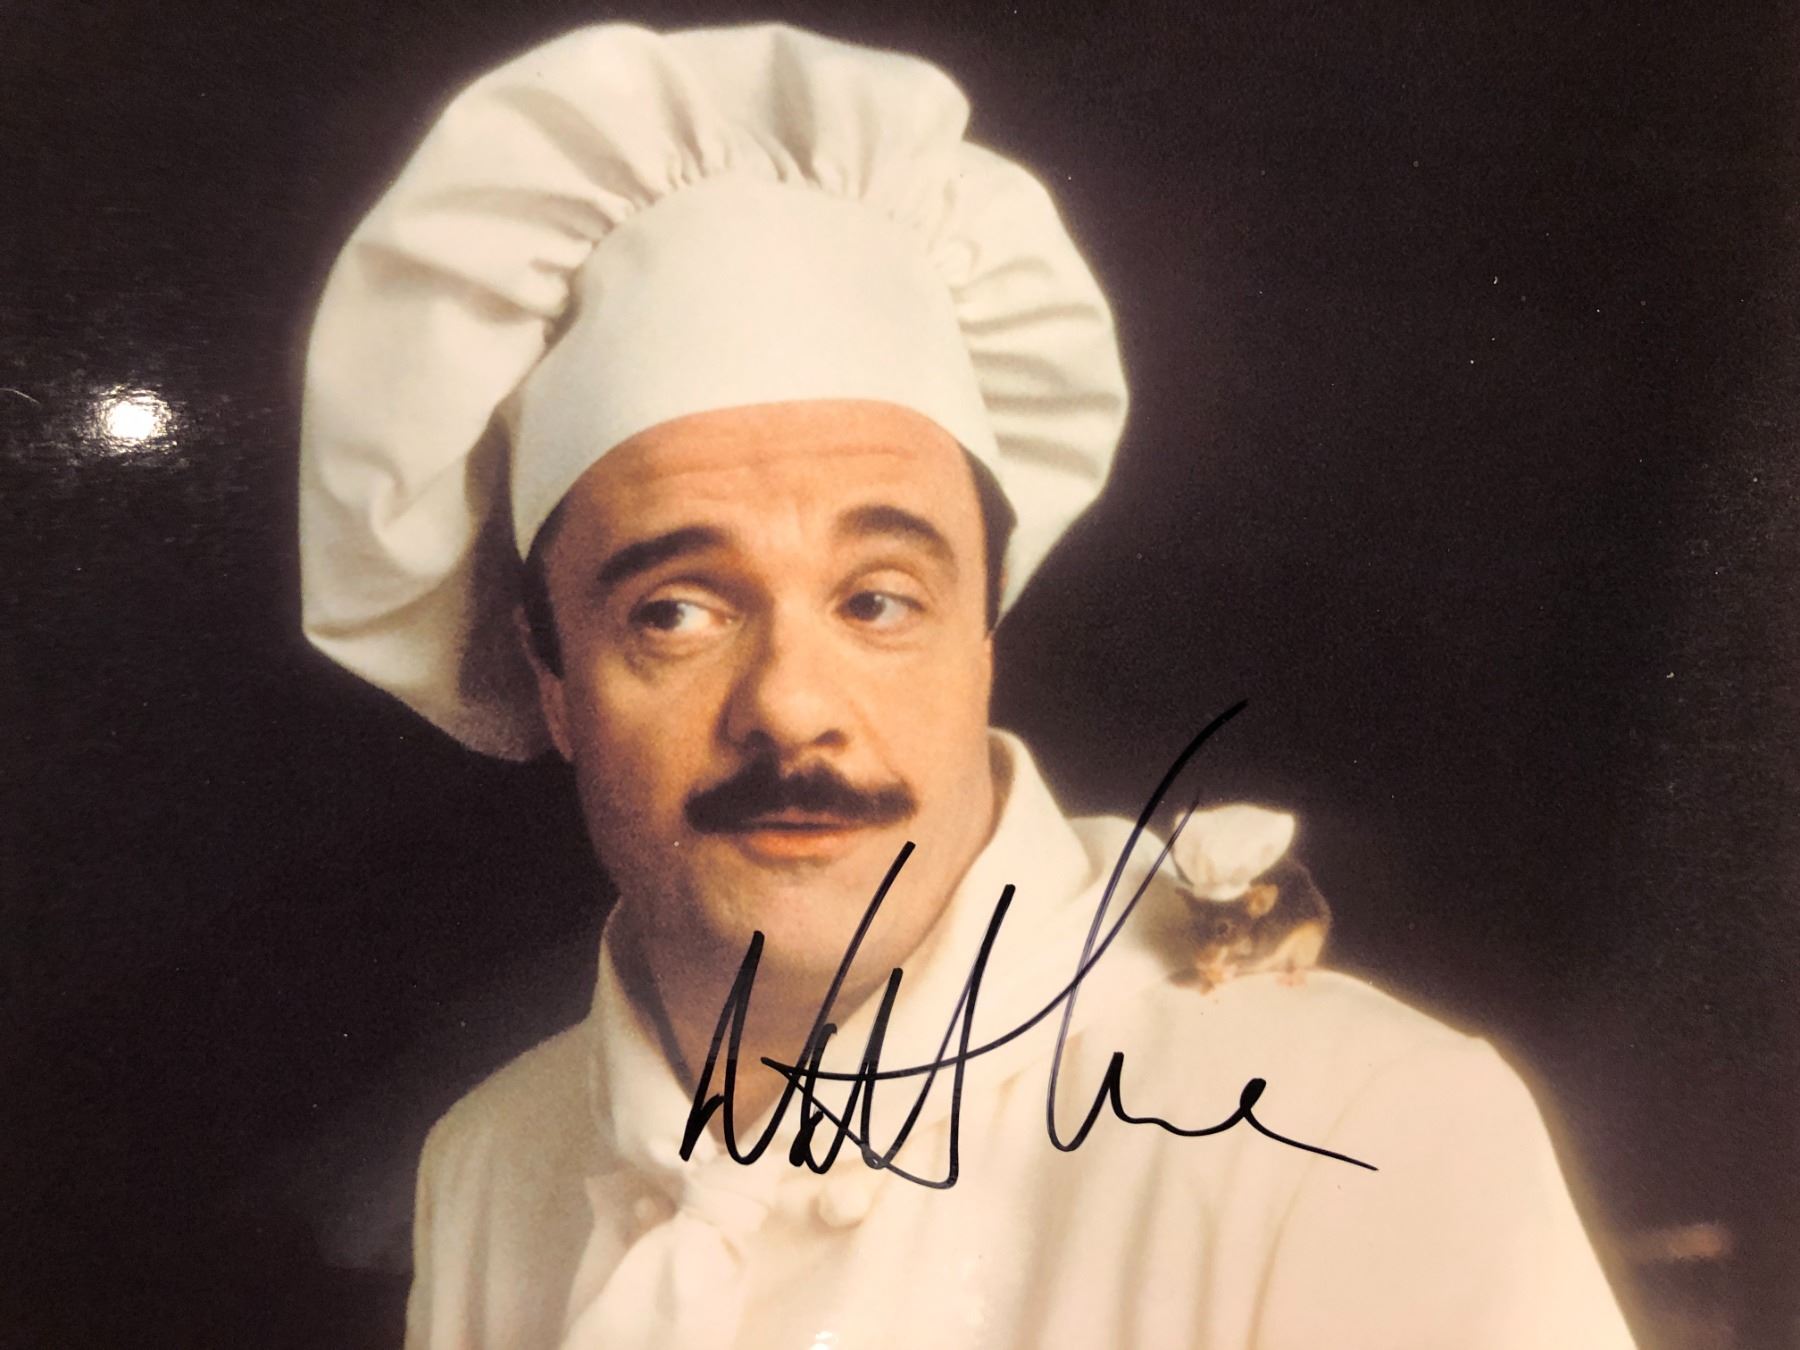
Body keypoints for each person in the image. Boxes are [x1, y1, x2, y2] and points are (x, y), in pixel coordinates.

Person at [299, 22, 1638, 1349]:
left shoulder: (1353, 1133)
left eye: (877, 600)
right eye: (678, 611)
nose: (792, 706)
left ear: (981, 630)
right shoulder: (491, 1171)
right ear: (550, 675)